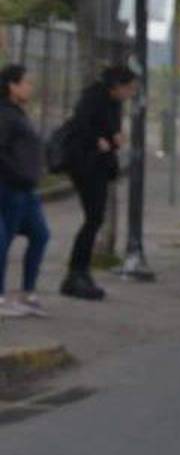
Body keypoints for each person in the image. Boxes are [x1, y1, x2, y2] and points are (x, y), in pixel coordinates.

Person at [61, 64, 137, 300]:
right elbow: (82, 126)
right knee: (94, 217)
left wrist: (114, 139)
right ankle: (76, 271)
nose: (130, 93)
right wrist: (98, 140)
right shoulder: (93, 98)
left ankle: (80, 271)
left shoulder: (114, 104)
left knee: (95, 218)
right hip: (85, 164)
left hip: (101, 165)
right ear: (116, 86)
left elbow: (111, 132)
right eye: (128, 88)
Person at [0, 65, 49, 317]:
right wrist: (17, 173)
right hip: (11, 187)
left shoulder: (18, 113)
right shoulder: (5, 114)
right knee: (3, 240)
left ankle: (27, 292)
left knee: (40, 234)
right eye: (26, 82)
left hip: (26, 189)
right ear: (12, 85)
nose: (31, 87)